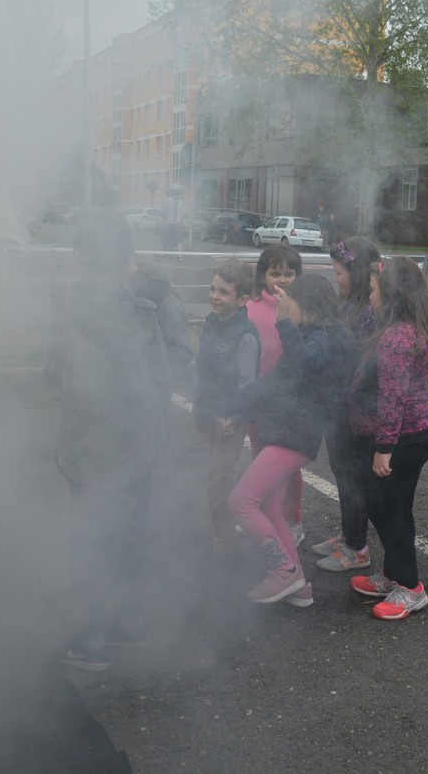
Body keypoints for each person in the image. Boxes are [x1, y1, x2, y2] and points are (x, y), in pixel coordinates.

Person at [50, 212, 171, 671]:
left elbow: (51, 369)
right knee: (131, 534)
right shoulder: (144, 312)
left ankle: (91, 641)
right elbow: (161, 379)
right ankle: (130, 624)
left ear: (80, 259)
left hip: (86, 448)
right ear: (127, 260)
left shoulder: (67, 309)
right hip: (137, 446)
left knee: (91, 539)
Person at [230, 276, 353, 603]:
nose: (282, 311)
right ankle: (298, 584)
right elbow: (275, 380)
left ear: (307, 306)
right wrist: (232, 407)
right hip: (285, 429)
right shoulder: (310, 335)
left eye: (288, 305)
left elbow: (304, 363)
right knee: (270, 505)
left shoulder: (326, 337)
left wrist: (284, 322)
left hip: (295, 434)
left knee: (241, 502)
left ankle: (283, 570)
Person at [347, 258, 428, 620]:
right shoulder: (413, 328)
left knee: (385, 509)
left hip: (402, 438)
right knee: (398, 506)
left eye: (373, 289)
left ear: (390, 296)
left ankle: (409, 587)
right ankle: (393, 573)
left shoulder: (397, 338)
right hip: (418, 432)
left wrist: (383, 449)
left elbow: (393, 398)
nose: (369, 294)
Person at [312, 237, 383, 572]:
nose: (336, 278)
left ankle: (357, 548)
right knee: (341, 471)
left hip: (355, 408)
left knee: (353, 475)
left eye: (339, 272)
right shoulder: (345, 305)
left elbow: (367, 361)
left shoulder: (369, 312)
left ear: (355, 272)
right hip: (335, 403)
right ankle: (347, 534)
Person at [192, 259, 260, 555]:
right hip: (210, 414)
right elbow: (203, 370)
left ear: (242, 300)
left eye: (223, 292)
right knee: (218, 473)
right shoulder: (211, 323)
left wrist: (233, 415)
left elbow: (247, 384)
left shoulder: (244, 334)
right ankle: (228, 527)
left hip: (231, 419)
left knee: (215, 482)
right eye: (212, 289)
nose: (214, 296)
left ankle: (225, 541)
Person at [245, 244, 306, 547]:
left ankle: (292, 519)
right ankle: (264, 514)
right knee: (260, 459)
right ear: (263, 275)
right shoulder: (251, 307)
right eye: (275, 273)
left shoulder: (300, 310)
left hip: (289, 403)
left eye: (289, 273)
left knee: (288, 467)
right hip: (258, 400)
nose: (282, 280)